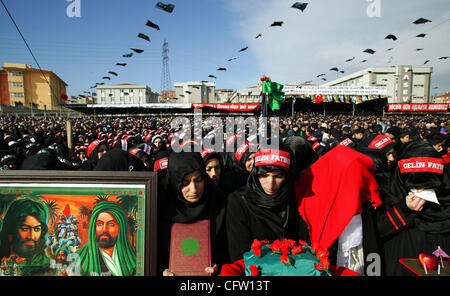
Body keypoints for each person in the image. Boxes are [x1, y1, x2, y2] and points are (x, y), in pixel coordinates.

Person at [376, 140, 450, 275]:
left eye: (428, 187)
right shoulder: (386, 196)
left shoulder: (445, 201)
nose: (421, 193)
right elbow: (373, 234)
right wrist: (402, 208)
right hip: (397, 260)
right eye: (414, 186)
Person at [226, 144, 309, 262]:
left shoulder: (294, 197)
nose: (270, 184)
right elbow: (239, 254)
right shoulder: (239, 201)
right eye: (264, 175)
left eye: (278, 176)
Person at [159, 152, 228, 275]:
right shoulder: (161, 208)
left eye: (198, 180)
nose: (194, 189)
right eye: (185, 183)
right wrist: (161, 270)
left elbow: (228, 250)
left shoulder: (218, 203)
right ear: (175, 182)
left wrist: (219, 265)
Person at [76, 201, 136, 276]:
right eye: (99, 224)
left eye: (111, 224)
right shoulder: (78, 259)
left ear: (120, 227)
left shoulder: (132, 260)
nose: (104, 229)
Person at [0, 199, 50, 276]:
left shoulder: (45, 265)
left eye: (37, 229)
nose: (32, 236)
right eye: (25, 229)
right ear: (11, 229)